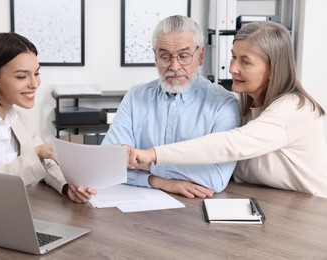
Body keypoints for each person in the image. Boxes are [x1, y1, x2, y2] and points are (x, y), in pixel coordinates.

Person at [128, 21, 327, 198]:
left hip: (309, 214)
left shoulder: (293, 109)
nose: (232, 68)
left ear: (272, 69)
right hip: (271, 206)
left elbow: (230, 145)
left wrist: (152, 156)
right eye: (233, 57)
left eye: (245, 61)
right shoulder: (247, 108)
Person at [0, 32, 96, 203]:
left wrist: (68, 188)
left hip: (10, 209)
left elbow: (46, 163)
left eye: (36, 73)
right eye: (21, 76)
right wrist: (37, 153)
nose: (34, 84)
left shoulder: (18, 118)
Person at [102, 15, 241, 198]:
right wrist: (159, 182)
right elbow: (107, 164)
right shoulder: (135, 97)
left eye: (183, 56)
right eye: (165, 57)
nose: (174, 67)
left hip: (194, 212)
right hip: (137, 207)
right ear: (155, 56)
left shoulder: (223, 105)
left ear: (200, 55)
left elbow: (216, 178)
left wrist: (148, 164)